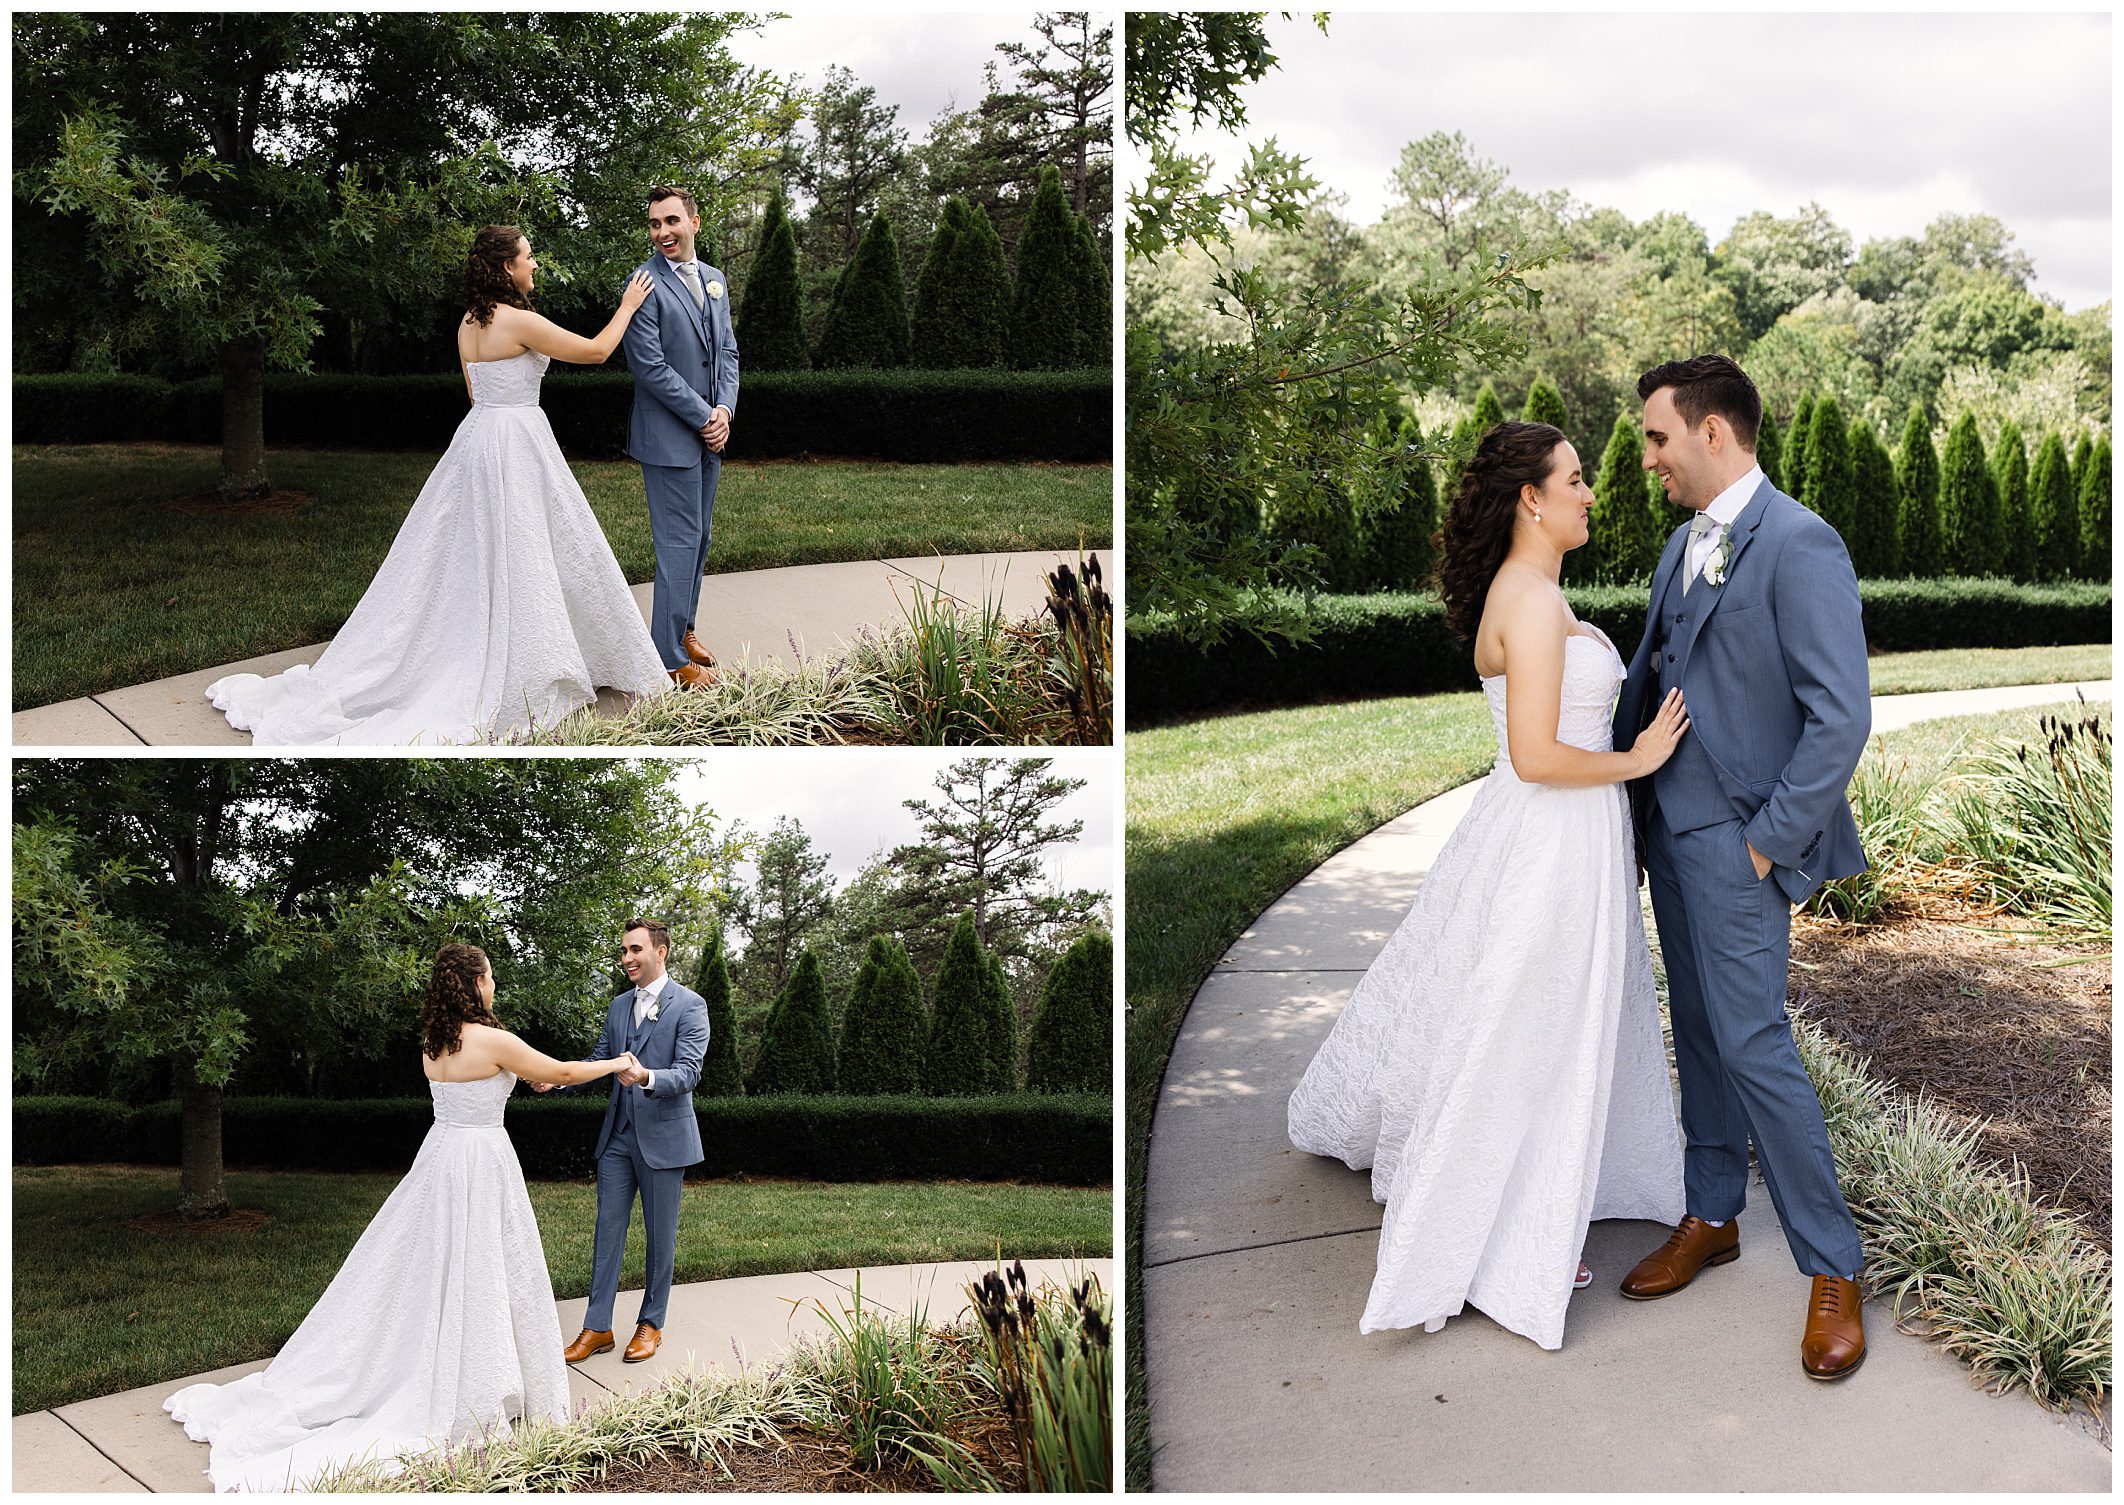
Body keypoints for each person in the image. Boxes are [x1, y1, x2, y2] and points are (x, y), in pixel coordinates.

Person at [1287, 421, 1689, 1350]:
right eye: (1577, 480)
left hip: (1557, 835)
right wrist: (1638, 758)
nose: (1592, 493)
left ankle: (1544, 1179)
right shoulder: (1535, 604)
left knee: (1536, 1015)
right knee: (1526, 1022)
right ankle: (1499, 1224)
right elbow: (1540, 755)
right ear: (1532, 499)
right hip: (1550, 837)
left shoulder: (1531, 593)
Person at [1613, 354, 1871, 1380]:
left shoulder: (1802, 544)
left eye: (1657, 437)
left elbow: (1840, 715)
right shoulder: (1682, 542)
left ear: (1713, 432)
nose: (1648, 459)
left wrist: (1767, 838)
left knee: (1757, 1041)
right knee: (1705, 1034)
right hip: (1670, 831)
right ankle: (1712, 1212)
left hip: (1741, 838)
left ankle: (1834, 1264)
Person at [164, 944, 638, 1491]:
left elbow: (511, 1079)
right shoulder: (494, 1040)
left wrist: (532, 1078)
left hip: (441, 1157)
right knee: (482, 1264)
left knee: (432, 1267)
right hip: (481, 1161)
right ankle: (475, 1384)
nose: (494, 986)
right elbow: (560, 1069)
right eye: (490, 978)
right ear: (475, 983)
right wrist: (617, 1062)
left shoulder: (435, 1046)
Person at [205, 225, 672, 744]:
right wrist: (628, 307)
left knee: (477, 553)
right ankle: (527, 662)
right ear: (505, 268)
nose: (534, 265)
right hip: (517, 437)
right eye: (528, 257)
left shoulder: (468, 323)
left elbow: (474, 393)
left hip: (477, 439)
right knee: (528, 547)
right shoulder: (520, 320)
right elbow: (595, 352)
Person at [535, 917, 707, 1365]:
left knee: (660, 1238)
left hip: (664, 1140)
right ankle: (597, 1327)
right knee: (607, 1232)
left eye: (635, 950)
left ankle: (651, 1324)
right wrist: (556, 1081)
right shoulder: (617, 1007)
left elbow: (689, 1073)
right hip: (617, 1139)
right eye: (624, 951)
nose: (627, 958)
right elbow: (598, 1060)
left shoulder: (689, 1005)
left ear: (660, 951)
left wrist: (646, 1075)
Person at [622, 186, 741, 690]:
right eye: (654, 224)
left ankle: (684, 628)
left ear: (695, 221)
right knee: (676, 544)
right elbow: (649, 366)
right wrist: (702, 416)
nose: (663, 232)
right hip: (669, 437)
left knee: (700, 539)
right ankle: (669, 658)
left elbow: (728, 354)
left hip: (710, 433)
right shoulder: (643, 282)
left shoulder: (714, 280)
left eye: (671, 221)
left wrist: (725, 411)